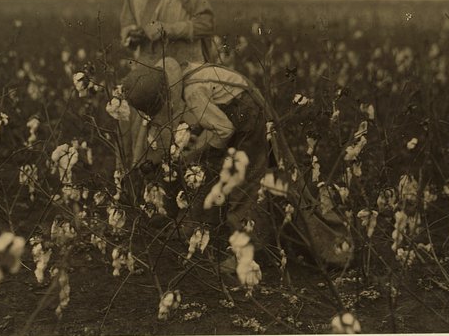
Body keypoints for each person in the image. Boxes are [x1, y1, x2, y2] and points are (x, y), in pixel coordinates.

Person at [120, 57, 353, 271]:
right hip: (243, 112)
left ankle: (248, 253)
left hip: (249, 120)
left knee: (245, 186)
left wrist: (199, 151)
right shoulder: (186, 73)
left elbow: (224, 129)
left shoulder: (193, 93)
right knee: (245, 176)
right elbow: (215, 112)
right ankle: (206, 227)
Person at [112, 0, 216, 170]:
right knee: (135, 134)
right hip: (148, 72)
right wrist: (132, 35)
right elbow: (126, 27)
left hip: (185, 69)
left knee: (185, 137)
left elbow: (206, 22)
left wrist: (168, 29)